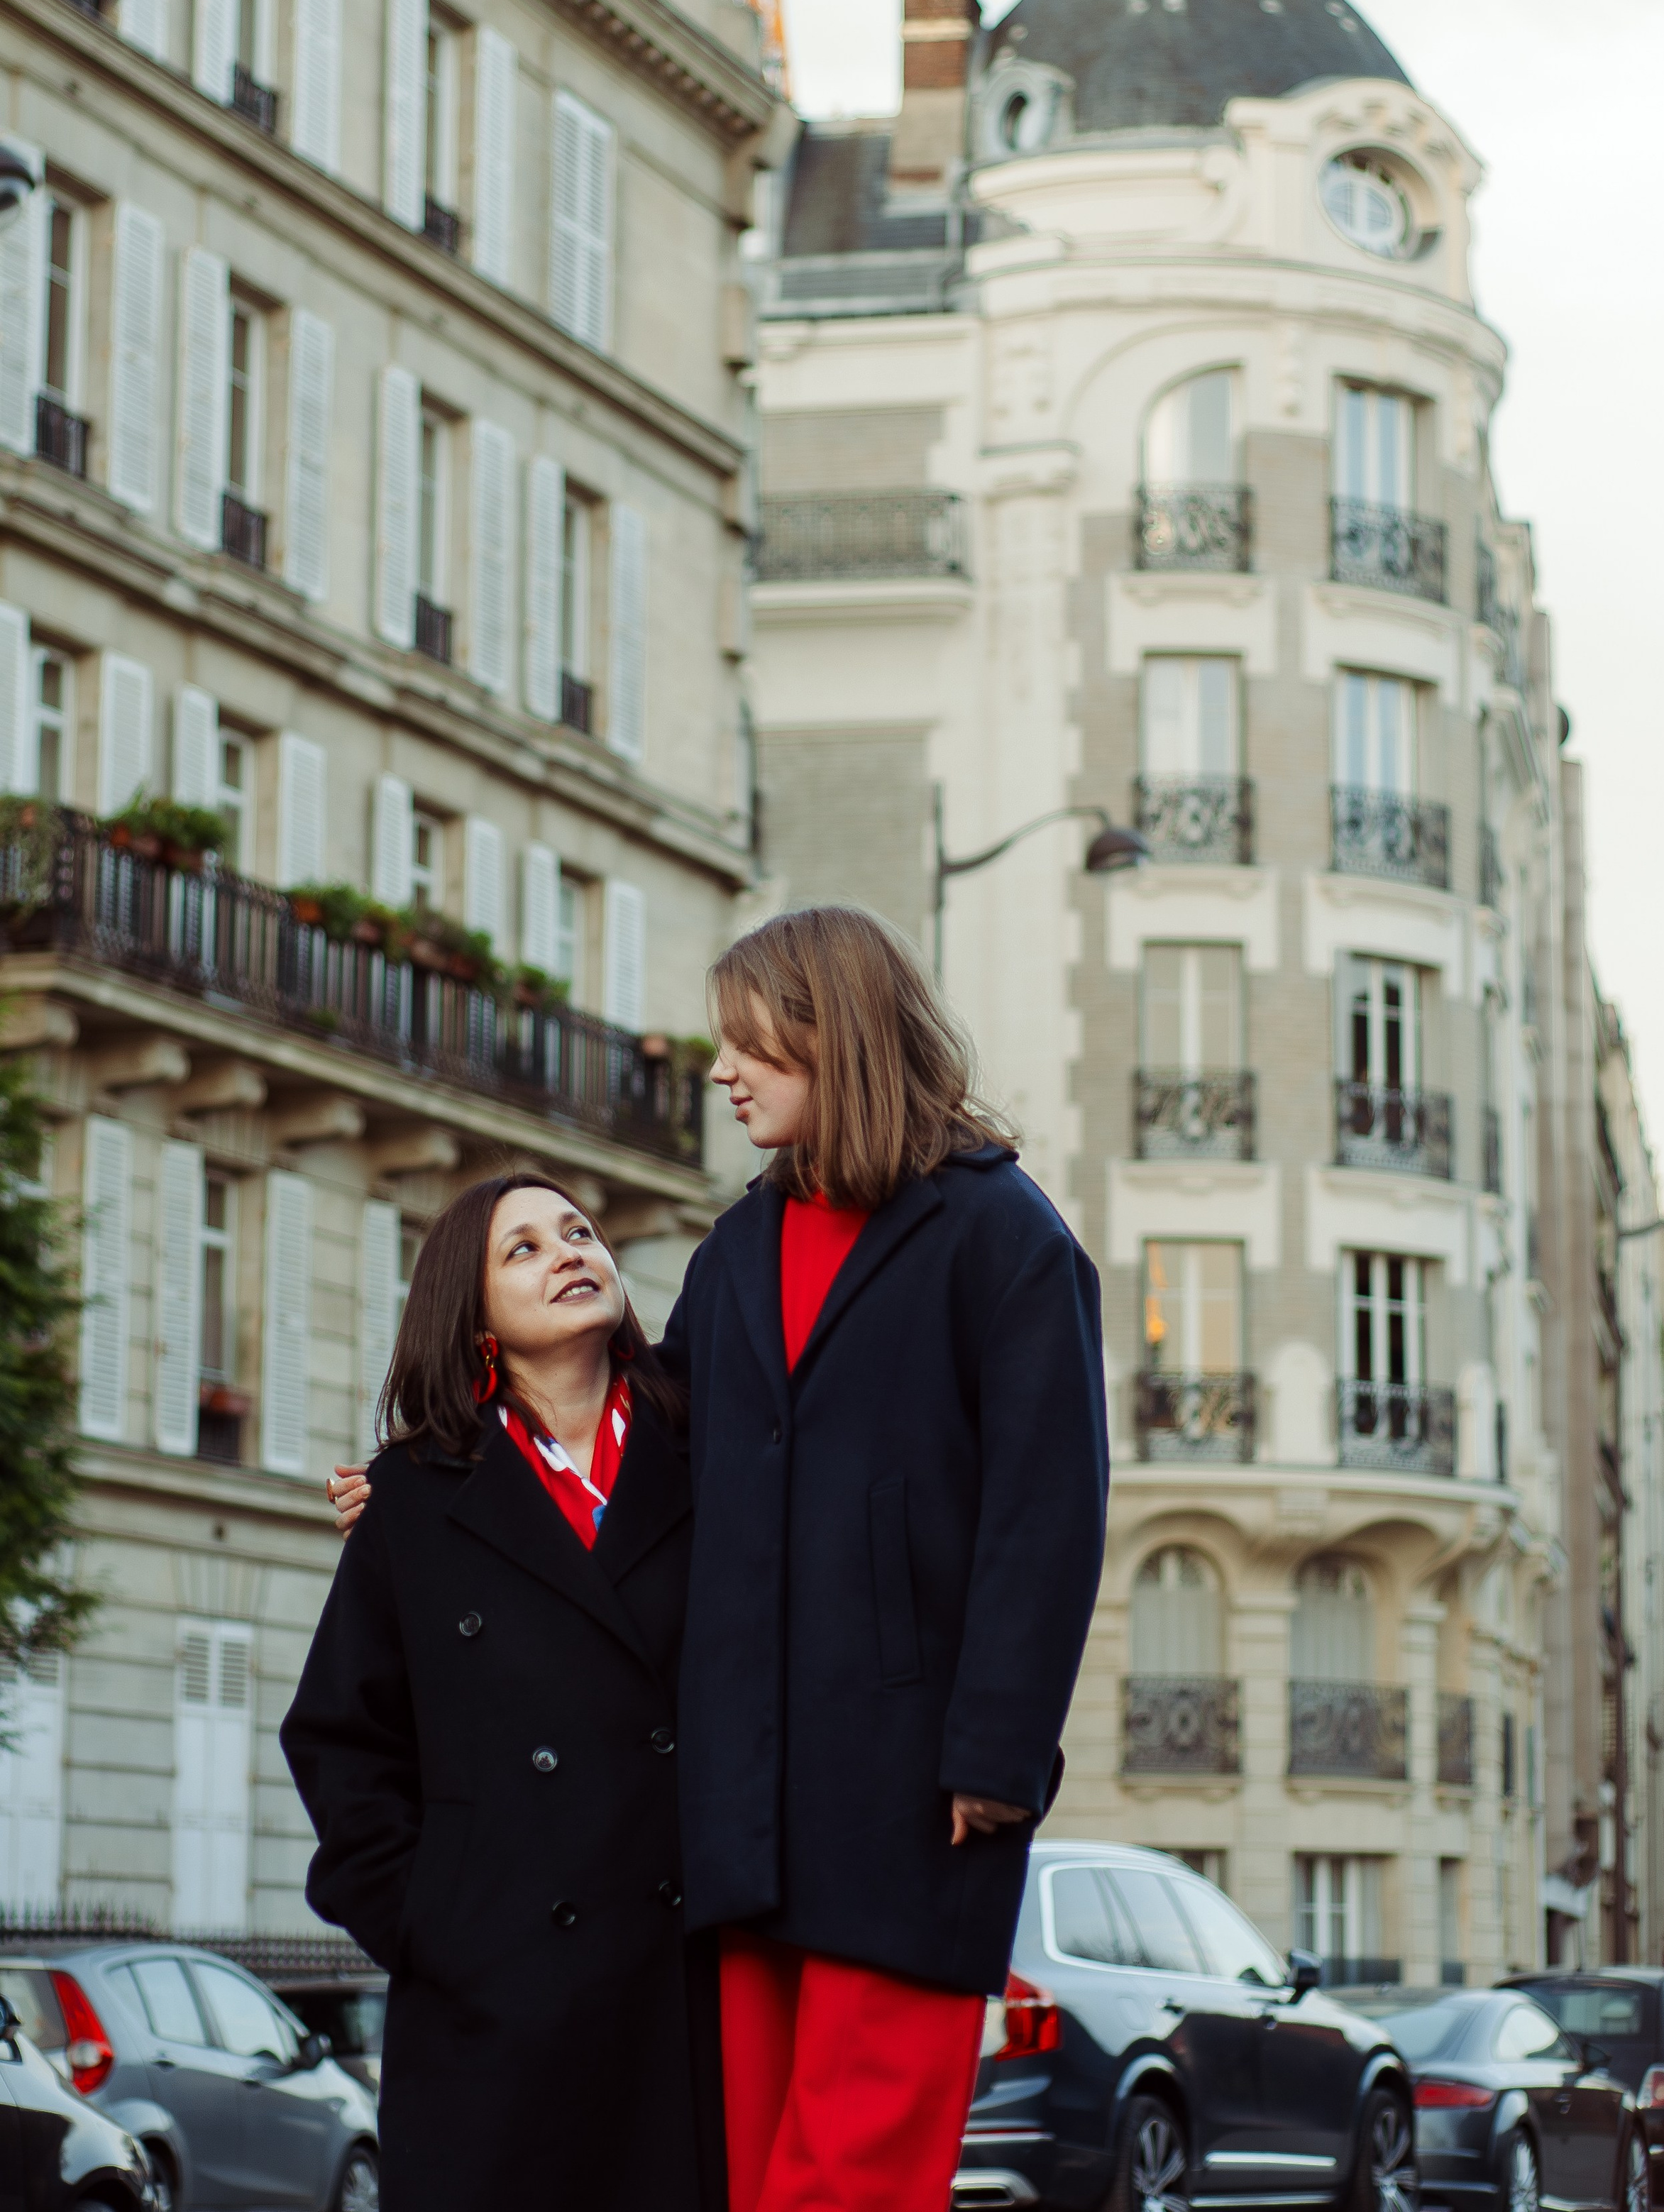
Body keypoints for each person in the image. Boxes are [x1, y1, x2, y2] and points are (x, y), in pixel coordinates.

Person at [673, 905, 1108, 2212]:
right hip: (743, 1808)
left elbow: (1048, 1510)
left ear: (835, 1034)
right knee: (751, 2175)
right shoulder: (735, 1249)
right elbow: (646, 1466)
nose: (721, 1070)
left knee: (849, 2178)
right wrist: (436, 1480)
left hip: (913, 1798)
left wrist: (997, 1755)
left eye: (748, 1040)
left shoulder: (1004, 1234)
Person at [282, 1175, 722, 2212]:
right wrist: (435, 1926)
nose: (568, 1252)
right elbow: (341, 1739)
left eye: (579, 1232)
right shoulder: (413, 1496)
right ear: (473, 1315)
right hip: (491, 2019)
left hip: (682, 1992)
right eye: (522, 1249)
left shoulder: (713, 1452)